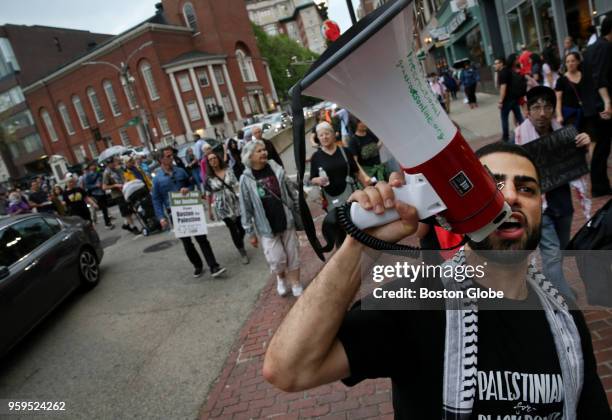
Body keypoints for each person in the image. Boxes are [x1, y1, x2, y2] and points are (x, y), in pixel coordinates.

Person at [262, 142, 611, 419]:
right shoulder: (416, 304)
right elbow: (289, 368)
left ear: (540, 208)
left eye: (527, 189)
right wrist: (361, 245)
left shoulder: (565, 317)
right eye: (492, 185)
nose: (510, 196)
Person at [514, 86, 590, 299]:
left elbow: (580, 164)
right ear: (527, 111)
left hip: (563, 203)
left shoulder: (563, 133)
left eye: (547, 107)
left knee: (561, 249)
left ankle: (556, 288)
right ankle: (565, 303)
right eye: (536, 107)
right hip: (539, 207)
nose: (542, 113)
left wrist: (584, 143)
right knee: (552, 255)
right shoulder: (520, 138)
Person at [239, 140, 302, 297]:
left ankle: (295, 282)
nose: (264, 153)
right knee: (277, 259)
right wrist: (250, 232)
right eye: (259, 151)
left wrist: (298, 209)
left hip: (286, 219)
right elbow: (245, 206)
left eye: (264, 150)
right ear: (250, 157)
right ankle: (280, 277)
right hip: (266, 226)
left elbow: (290, 189)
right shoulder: (245, 179)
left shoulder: (275, 167)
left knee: (292, 254)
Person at [152, 146, 226, 278]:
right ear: (160, 160)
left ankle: (213, 266)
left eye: (171, 156)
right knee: (187, 243)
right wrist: (161, 217)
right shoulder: (157, 179)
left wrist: (188, 188)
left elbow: (191, 184)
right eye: (168, 156)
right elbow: (156, 199)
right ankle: (197, 265)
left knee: (202, 239)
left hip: (191, 209)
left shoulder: (181, 171)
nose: (172, 158)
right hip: (175, 214)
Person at [310, 122, 370, 247]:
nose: (324, 137)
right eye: (321, 135)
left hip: (350, 196)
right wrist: (317, 180)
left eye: (327, 133)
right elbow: (311, 178)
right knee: (339, 232)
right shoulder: (316, 157)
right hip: (331, 200)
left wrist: (367, 188)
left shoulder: (345, 151)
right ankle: (345, 256)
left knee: (356, 227)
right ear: (318, 138)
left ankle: (363, 254)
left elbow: (357, 172)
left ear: (333, 135)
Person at [581, 17, 612, 197]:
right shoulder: (605, 47)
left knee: (601, 146)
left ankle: (600, 185)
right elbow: (600, 77)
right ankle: (600, 186)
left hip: (594, 106)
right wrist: (607, 102)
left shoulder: (592, 48)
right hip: (602, 107)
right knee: (602, 147)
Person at [204, 151, 249, 264]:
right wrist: (209, 211)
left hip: (235, 202)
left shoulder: (228, 171)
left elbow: (236, 185)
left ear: (218, 159)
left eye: (214, 158)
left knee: (241, 227)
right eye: (210, 159)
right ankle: (242, 250)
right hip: (222, 206)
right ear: (208, 163)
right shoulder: (208, 178)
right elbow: (208, 195)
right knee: (233, 229)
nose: (213, 160)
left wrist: (243, 199)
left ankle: (239, 242)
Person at [102, 156, 140, 234]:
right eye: (111, 163)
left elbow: (124, 176)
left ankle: (126, 224)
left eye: (113, 162)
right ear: (108, 164)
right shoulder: (106, 173)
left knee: (131, 208)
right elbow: (104, 187)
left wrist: (126, 180)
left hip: (125, 190)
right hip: (117, 194)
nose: (113, 164)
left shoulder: (118, 169)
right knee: (126, 211)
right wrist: (115, 185)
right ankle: (133, 227)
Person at [495, 56, 525, 142]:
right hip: (514, 98)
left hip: (507, 101)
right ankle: (526, 131)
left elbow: (503, 87)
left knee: (504, 118)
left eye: (497, 63)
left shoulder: (503, 73)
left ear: (501, 63)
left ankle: (505, 137)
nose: (495, 65)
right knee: (519, 116)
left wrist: (500, 101)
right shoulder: (509, 71)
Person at [555, 52, 585, 129]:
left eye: (573, 61)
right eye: (567, 62)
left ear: (578, 62)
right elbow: (558, 100)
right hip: (570, 115)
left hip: (587, 112)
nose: (570, 64)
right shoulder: (561, 80)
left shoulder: (585, 75)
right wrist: (559, 115)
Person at [83, 162, 114, 228]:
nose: (94, 166)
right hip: (96, 193)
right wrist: (95, 186)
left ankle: (108, 221)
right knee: (103, 208)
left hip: (102, 191)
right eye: (92, 165)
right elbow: (87, 186)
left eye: (94, 165)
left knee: (105, 208)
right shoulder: (88, 175)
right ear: (90, 167)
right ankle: (107, 223)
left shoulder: (99, 172)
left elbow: (103, 180)